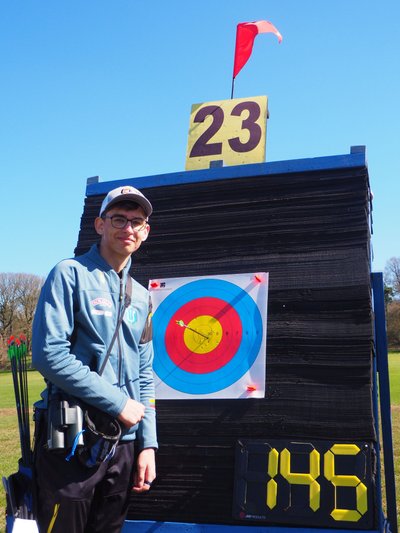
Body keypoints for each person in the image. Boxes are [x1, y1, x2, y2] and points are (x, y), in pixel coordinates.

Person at [32, 185, 157, 533]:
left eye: (137, 221)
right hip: (70, 436)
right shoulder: (69, 274)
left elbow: (145, 375)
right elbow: (49, 355)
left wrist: (148, 444)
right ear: (100, 225)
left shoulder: (143, 298)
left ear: (146, 232)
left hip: (125, 444)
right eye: (118, 218)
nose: (127, 228)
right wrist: (118, 402)